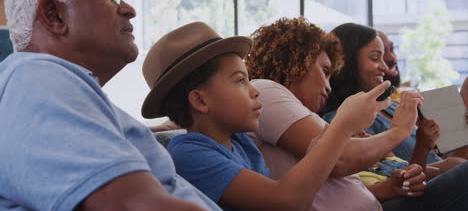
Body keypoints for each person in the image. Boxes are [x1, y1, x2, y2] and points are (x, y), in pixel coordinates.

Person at [0, 0, 221, 211]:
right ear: (54, 14)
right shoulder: (37, 77)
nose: (129, 10)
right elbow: (135, 206)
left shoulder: (47, 88)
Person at [140, 21, 392, 211]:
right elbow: (287, 201)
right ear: (200, 100)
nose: (254, 91)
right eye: (240, 81)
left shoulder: (239, 142)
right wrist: (343, 126)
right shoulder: (190, 154)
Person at [243, 17, 434, 209]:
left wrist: (388, 188)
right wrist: (399, 130)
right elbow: (340, 159)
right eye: (325, 71)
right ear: (298, 61)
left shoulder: (300, 114)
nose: (328, 86)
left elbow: (332, 182)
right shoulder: (266, 91)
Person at [322, 22, 468, 210]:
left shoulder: (391, 107)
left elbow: (425, 164)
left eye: (387, 54)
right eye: (376, 58)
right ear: (348, 62)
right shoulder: (343, 120)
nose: (385, 66)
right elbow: (403, 175)